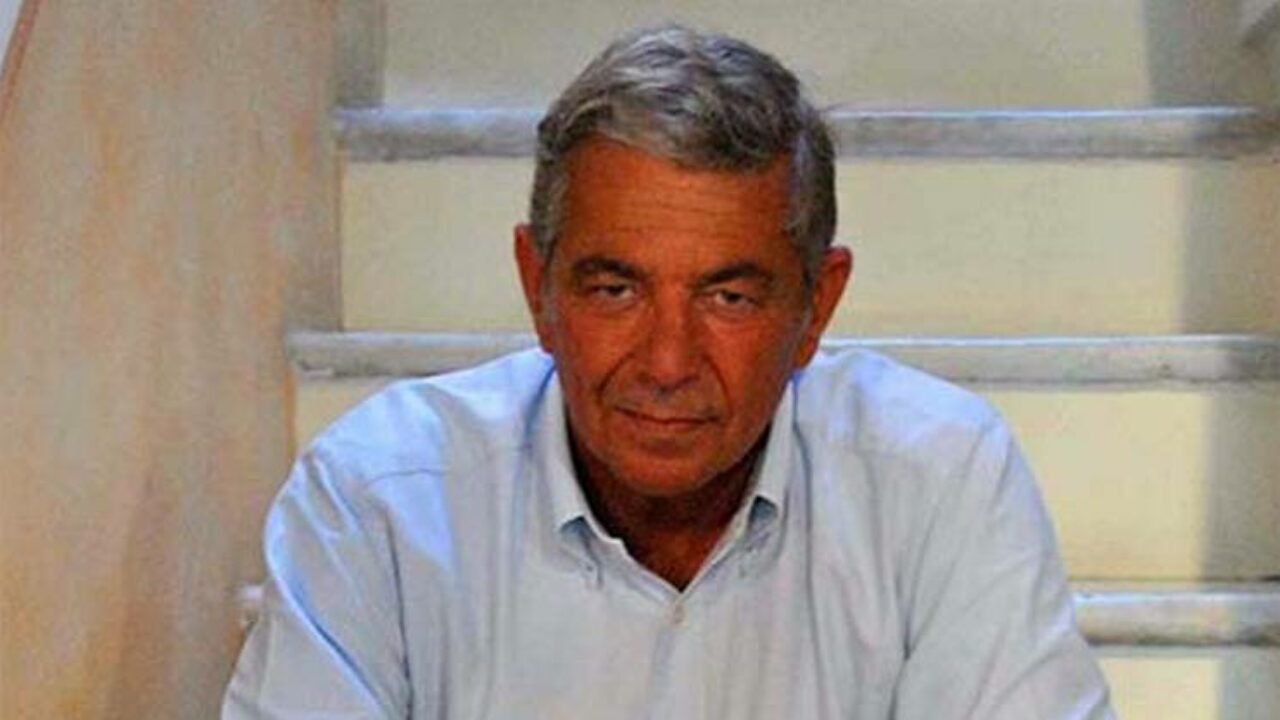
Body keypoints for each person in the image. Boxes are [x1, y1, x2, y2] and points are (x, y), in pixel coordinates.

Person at [224, 25, 1113, 719]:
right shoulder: (376, 501)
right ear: (537, 287)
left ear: (818, 306)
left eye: (729, 297)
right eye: (615, 290)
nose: (667, 363)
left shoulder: (941, 480)